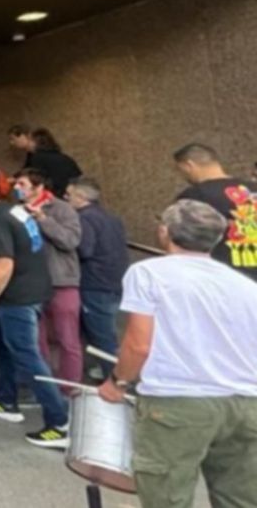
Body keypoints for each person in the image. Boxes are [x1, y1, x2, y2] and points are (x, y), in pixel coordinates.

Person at [97, 200, 257, 508]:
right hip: (246, 402)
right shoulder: (245, 285)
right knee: (242, 499)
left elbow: (138, 344)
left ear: (165, 231)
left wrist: (117, 382)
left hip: (177, 400)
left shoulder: (147, 273)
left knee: (167, 497)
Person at [0, 188, 70, 448]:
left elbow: (4, 263)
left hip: (17, 297)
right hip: (31, 290)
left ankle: (59, 421)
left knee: (27, 355)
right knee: (5, 347)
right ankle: (5, 399)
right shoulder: (13, 210)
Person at [13, 168, 83, 384]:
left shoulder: (62, 209)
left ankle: (70, 387)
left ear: (39, 187)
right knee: (36, 340)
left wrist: (43, 219)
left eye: (22, 184)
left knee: (68, 339)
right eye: (16, 184)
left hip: (61, 281)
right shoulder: (16, 211)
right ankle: (44, 387)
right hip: (30, 283)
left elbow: (70, 241)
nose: (16, 188)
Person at [67, 178, 128, 379]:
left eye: (69, 195)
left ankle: (115, 377)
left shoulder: (84, 219)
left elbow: (85, 250)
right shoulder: (111, 217)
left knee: (102, 335)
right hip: (114, 281)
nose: (66, 198)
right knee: (106, 330)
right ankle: (106, 369)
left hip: (94, 282)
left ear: (81, 197)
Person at [172, 142, 257, 280]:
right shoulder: (253, 188)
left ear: (188, 165)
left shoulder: (196, 194)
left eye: (180, 170)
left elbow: (181, 238)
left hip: (221, 275)